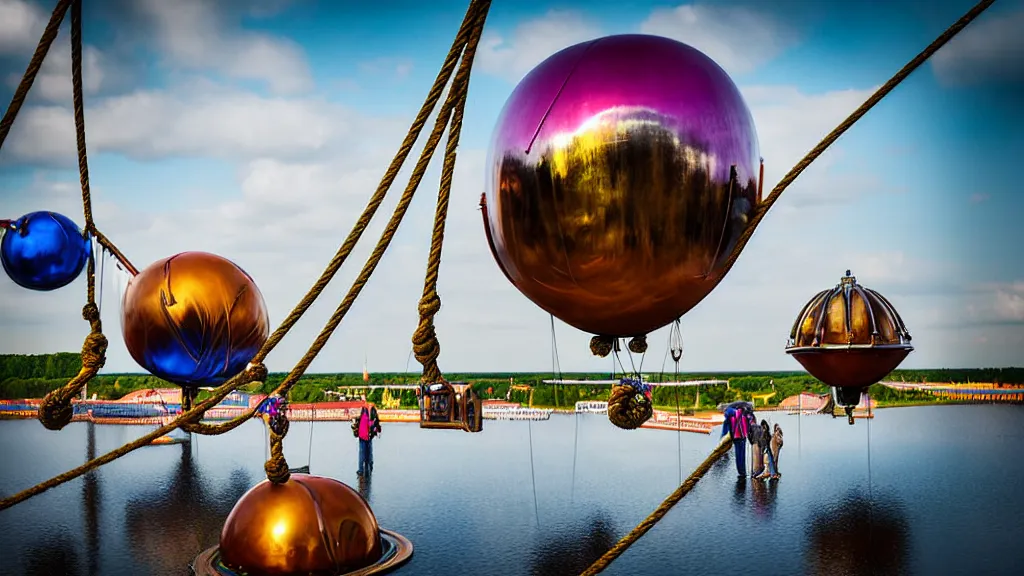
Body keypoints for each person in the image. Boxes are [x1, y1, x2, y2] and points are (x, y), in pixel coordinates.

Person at [721, 405, 755, 477]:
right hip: (742, 436)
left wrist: (723, 436)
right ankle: (743, 472)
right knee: (742, 455)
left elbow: (726, 425)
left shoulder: (731, 414)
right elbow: (751, 422)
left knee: (738, 454)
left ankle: (741, 472)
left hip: (736, 437)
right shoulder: (745, 414)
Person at [352, 405, 382, 476]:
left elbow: (372, 422)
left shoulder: (365, 410)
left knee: (364, 453)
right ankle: (366, 468)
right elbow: (371, 422)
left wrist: (376, 428)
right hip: (365, 435)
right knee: (366, 452)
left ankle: (364, 468)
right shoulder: (366, 410)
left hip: (366, 435)